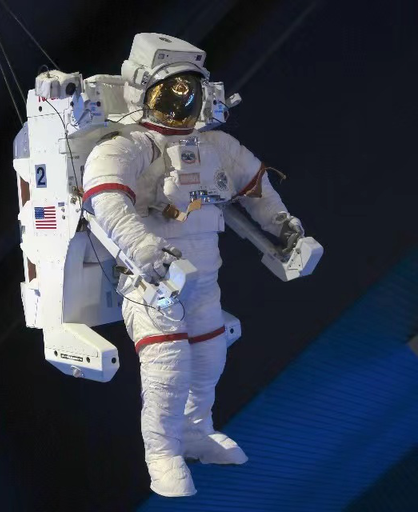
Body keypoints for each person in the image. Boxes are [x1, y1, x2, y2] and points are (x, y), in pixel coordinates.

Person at [82, 33, 304, 497]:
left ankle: (197, 433)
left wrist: (284, 225)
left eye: (190, 91)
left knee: (209, 359)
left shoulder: (217, 146)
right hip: (154, 282)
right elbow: (106, 200)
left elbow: (258, 189)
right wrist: (144, 249)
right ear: (143, 90)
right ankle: (162, 455)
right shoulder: (127, 146)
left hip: (203, 279)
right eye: (170, 91)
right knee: (168, 369)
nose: (181, 102)